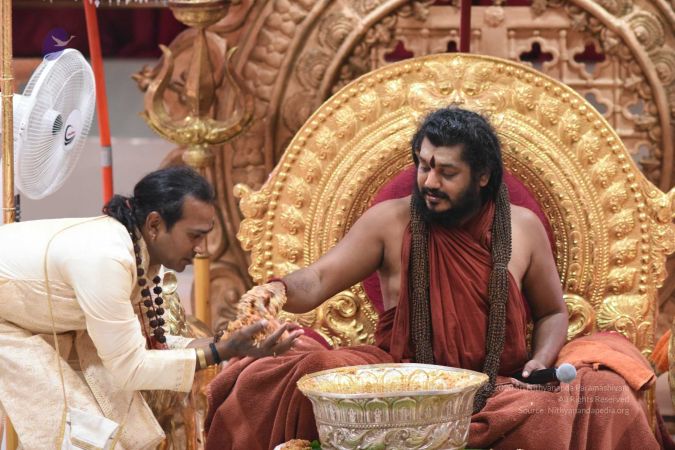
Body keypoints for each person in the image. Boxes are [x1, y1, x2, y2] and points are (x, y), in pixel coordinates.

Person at [205, 108, 664, 450]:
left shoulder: (522, 228)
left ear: (482, 176)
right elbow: (319, 278)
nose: (428, 181)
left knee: (604, 394)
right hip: (399, 383)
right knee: (298, 373)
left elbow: (551, 312)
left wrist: (539, 363)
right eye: (424, 165)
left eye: (446, 172)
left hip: (500, 389)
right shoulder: (389, 221)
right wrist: (277, 289)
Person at [0, 166, 301, 449]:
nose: (201, 249)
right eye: (194, 235)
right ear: (155, 224)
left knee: (100, 427)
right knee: (80, 434)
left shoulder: (139, 254)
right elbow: (130, 368)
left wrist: (227, 343)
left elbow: (154, 344)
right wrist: (220, 351)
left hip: (34, 317)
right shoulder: (108, 259)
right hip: (9, 322)